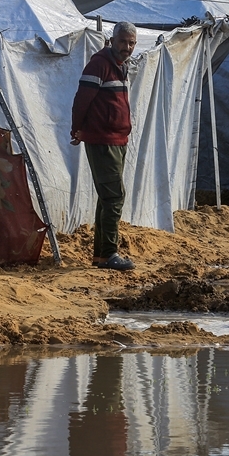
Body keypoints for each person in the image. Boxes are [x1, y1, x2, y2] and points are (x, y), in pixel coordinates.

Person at [71, 21, 138, 270]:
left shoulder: (122, 66)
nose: (128, 47)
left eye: (132, 43)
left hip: (118, 139)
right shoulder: (99, 64)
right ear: (113, 40)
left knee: (107, 198)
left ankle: (101, 256)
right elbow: (82, 100)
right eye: (123, 42)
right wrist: (77, 128)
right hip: (103, 140)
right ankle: (110, 253)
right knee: (114, 197)